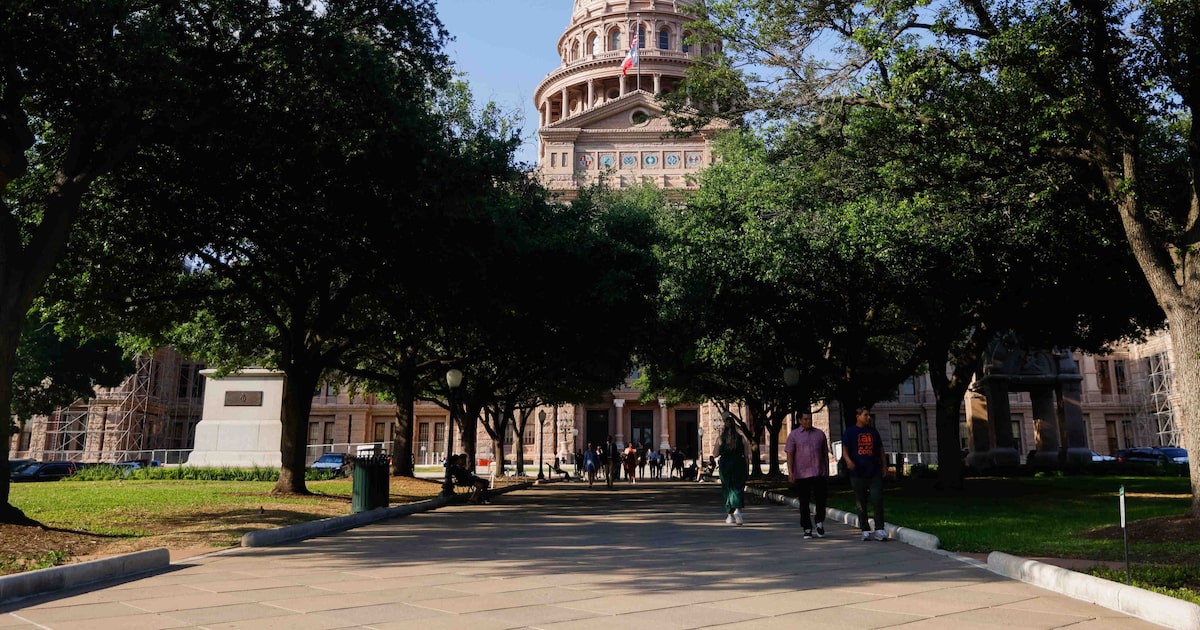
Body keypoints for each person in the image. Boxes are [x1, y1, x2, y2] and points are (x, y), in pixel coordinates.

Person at [842, 406, 887, 541]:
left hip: (874, 471)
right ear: (858, 416)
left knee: (877, 499)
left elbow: (881, 450)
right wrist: (848, 461)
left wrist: (884, 466)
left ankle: (879, 529)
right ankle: (865, 529)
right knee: (861, 502)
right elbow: (845, 449)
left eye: (869, 415)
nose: (868, 417)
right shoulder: (850, 432)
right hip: (857, 472)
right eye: (865, 415)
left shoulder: (873, 432)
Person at [785, 411, 830, 539]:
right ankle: (807, 527)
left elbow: (825, 454)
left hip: (818, 472)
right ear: (800, 420)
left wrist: (826, 471)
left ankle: (819, 521)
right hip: (802, 474)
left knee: (821, 500)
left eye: (809, 419)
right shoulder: (794, 435)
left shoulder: (819, 434)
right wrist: (791, 472)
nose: (808, 421)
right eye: (805, 419)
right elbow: (790, 455)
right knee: (804, 502)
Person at [716, 419, 747, 525]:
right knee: (738, 487)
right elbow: (746, 455)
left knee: (727, 488)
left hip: (725, 465)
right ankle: (737, 510)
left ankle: (729, 515)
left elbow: (715, 453)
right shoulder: (741, 438)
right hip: (738, 464)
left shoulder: (720, 439)